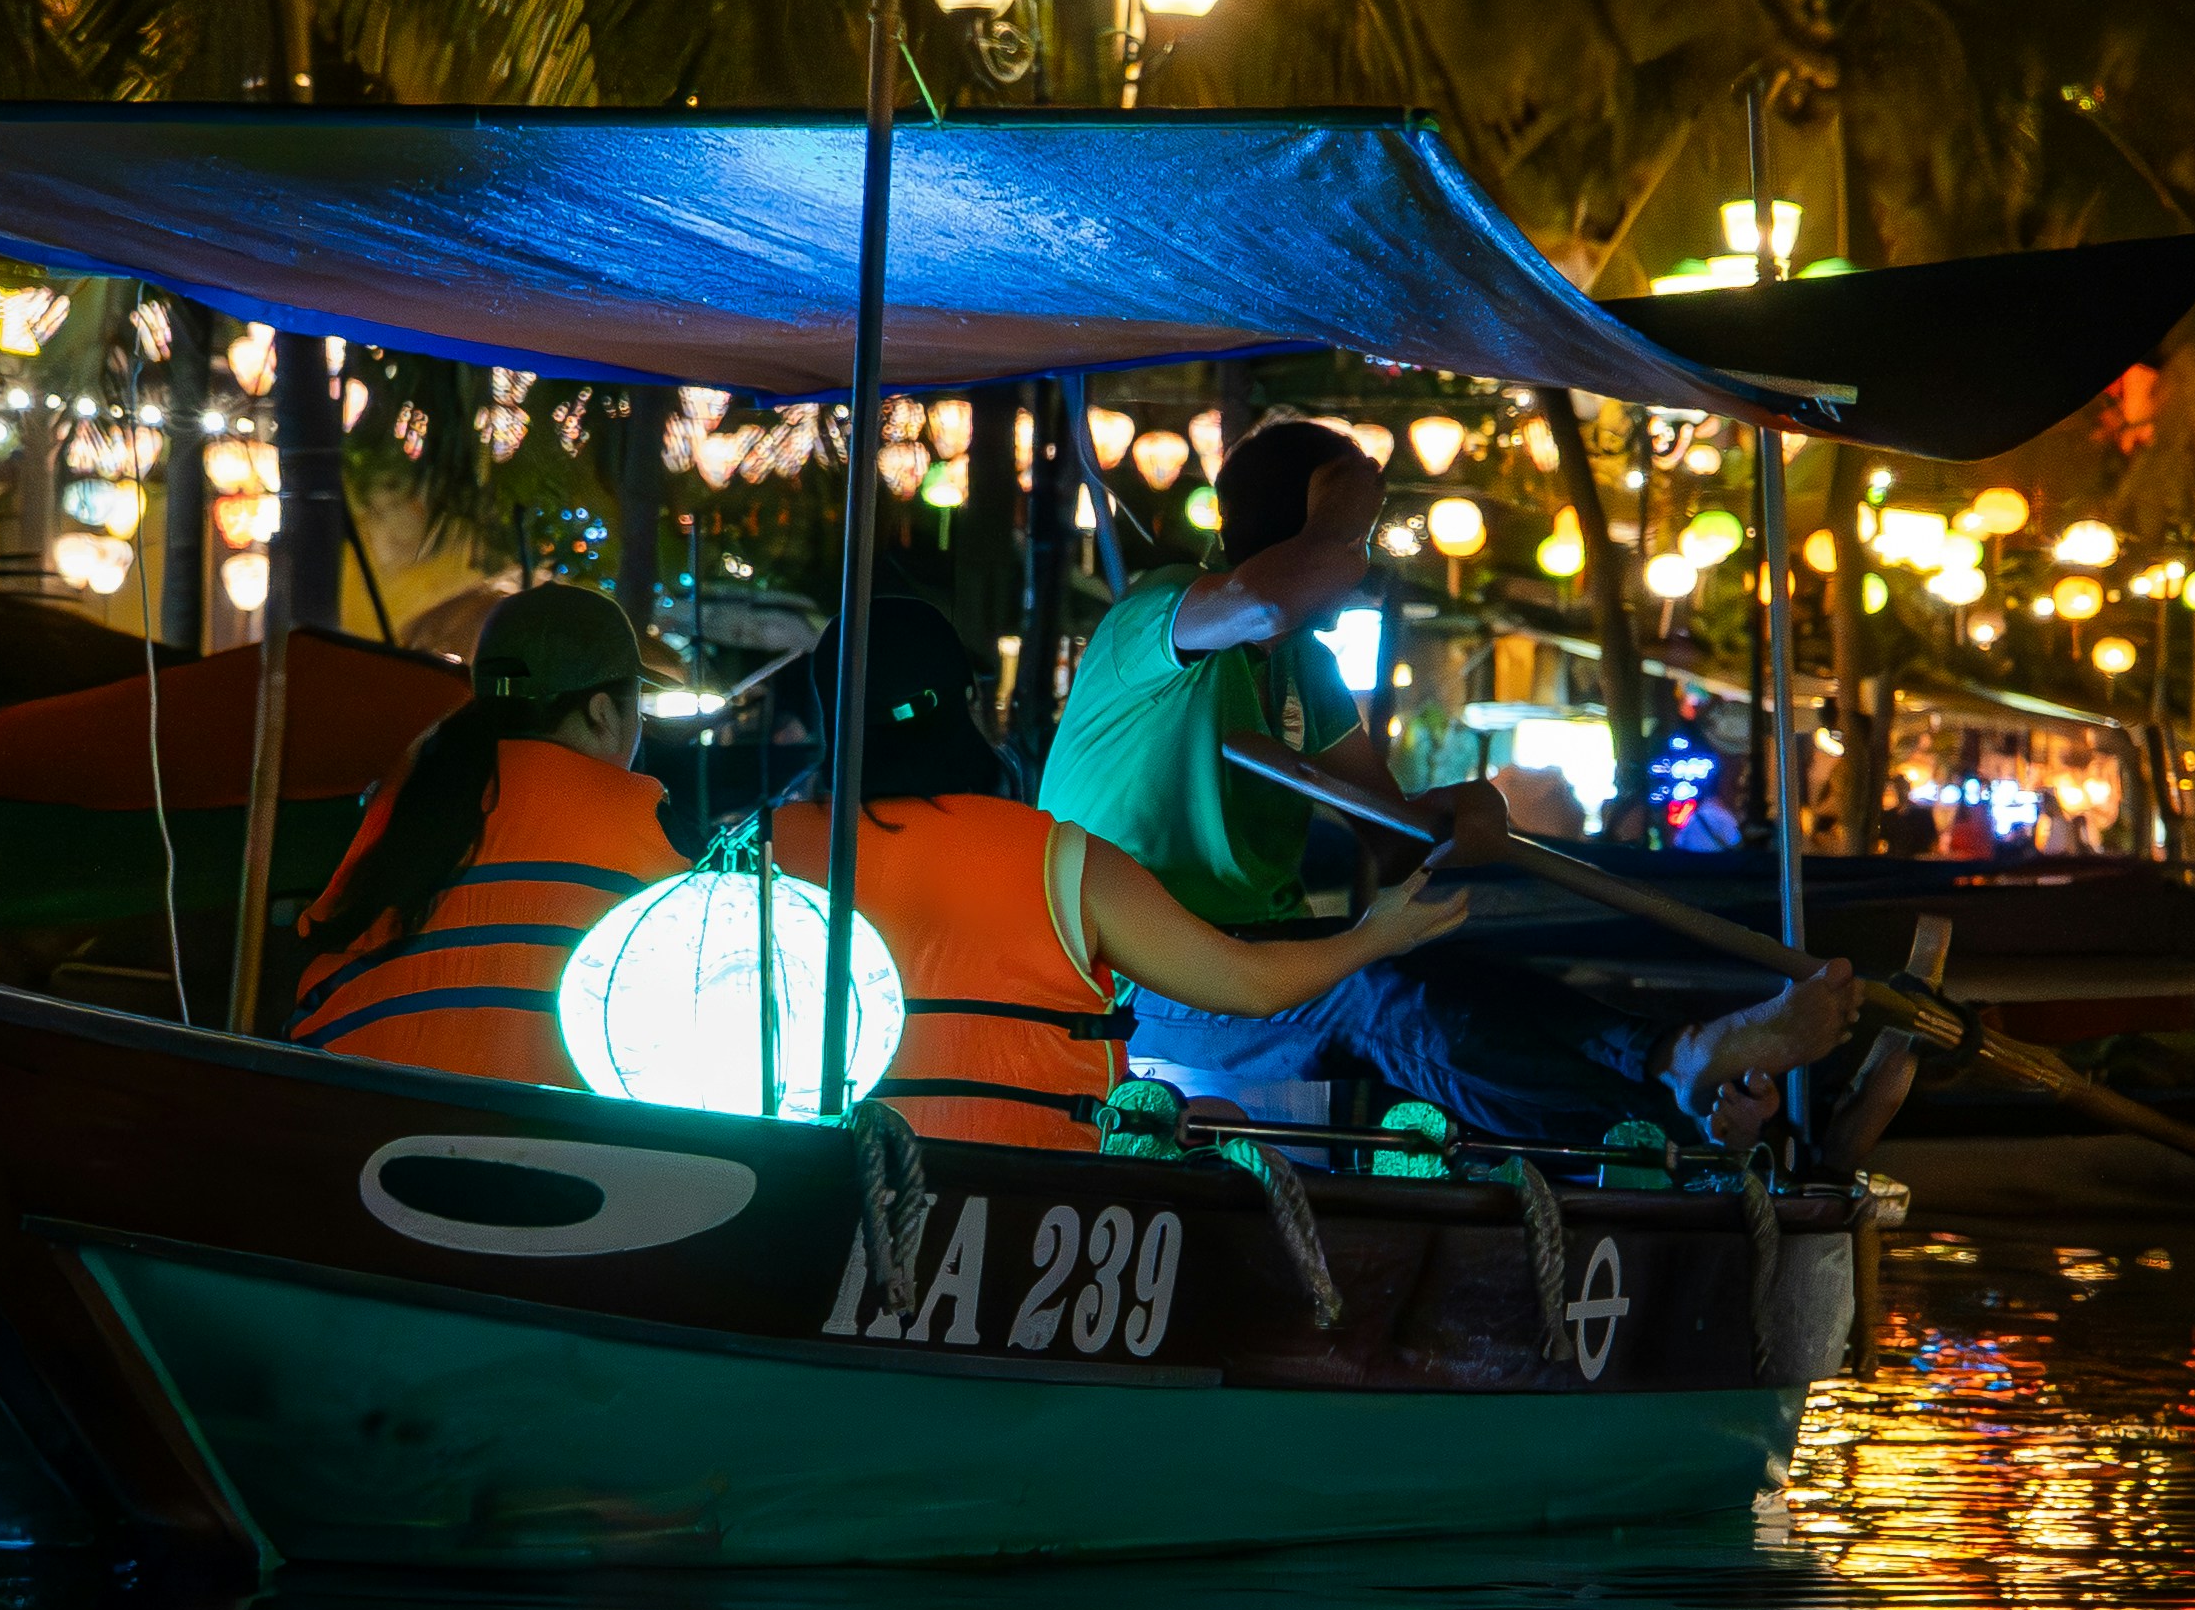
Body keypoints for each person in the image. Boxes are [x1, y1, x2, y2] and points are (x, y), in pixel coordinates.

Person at [1043, 417, 1857, 1146]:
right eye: (1356, 535)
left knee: (1461, 970)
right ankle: (1662, 1128)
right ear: (1315, 530)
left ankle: (1672, 1060)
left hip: (1262, 950)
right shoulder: (1153, 617)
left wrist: (1461, 812)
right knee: (1373, 992)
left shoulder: (1303, 666)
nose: (1360, 565)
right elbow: (1263, 600)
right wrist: (1345, 497)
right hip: (1140, 977)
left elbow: (1395, 838)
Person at [764, 599, 1471, 1147]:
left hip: (828, 1172)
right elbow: (1253, 986)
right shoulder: (1063, 858)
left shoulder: (763, 855)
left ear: (829, 713)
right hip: (1041, 1192)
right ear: (965, 703)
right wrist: (1380, 934)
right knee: (1213, 1118)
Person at [284, 581, 685, 1082]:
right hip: (553, 1123)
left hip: (349, 1093)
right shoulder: (651, 832)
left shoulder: (413, 791)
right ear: (603, 711)